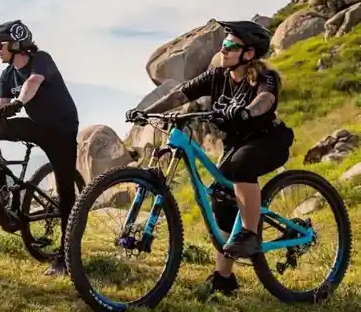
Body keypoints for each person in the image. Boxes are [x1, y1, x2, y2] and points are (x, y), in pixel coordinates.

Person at [126, 20, 294, 296]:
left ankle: (250, 234)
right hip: (235, 146)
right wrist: (145, 111)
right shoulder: (217, 76)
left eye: (229, 46)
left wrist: (247, 112)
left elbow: (265, 98)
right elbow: (180, 93)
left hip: (267, 141)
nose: (223, 50)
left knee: (241, 165)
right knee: (222, 200)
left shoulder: (266, 77)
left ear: (248, 53)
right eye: (223, 45)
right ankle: (223, 278)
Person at [0, 19, 80, 276]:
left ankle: (66, 258)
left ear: (15, 43)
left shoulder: (41, 59)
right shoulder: (6, 74)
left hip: (61, 128)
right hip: (36, 125)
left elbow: (32, 83)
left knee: (66, 192)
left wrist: (19, 103)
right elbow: (1, 107)